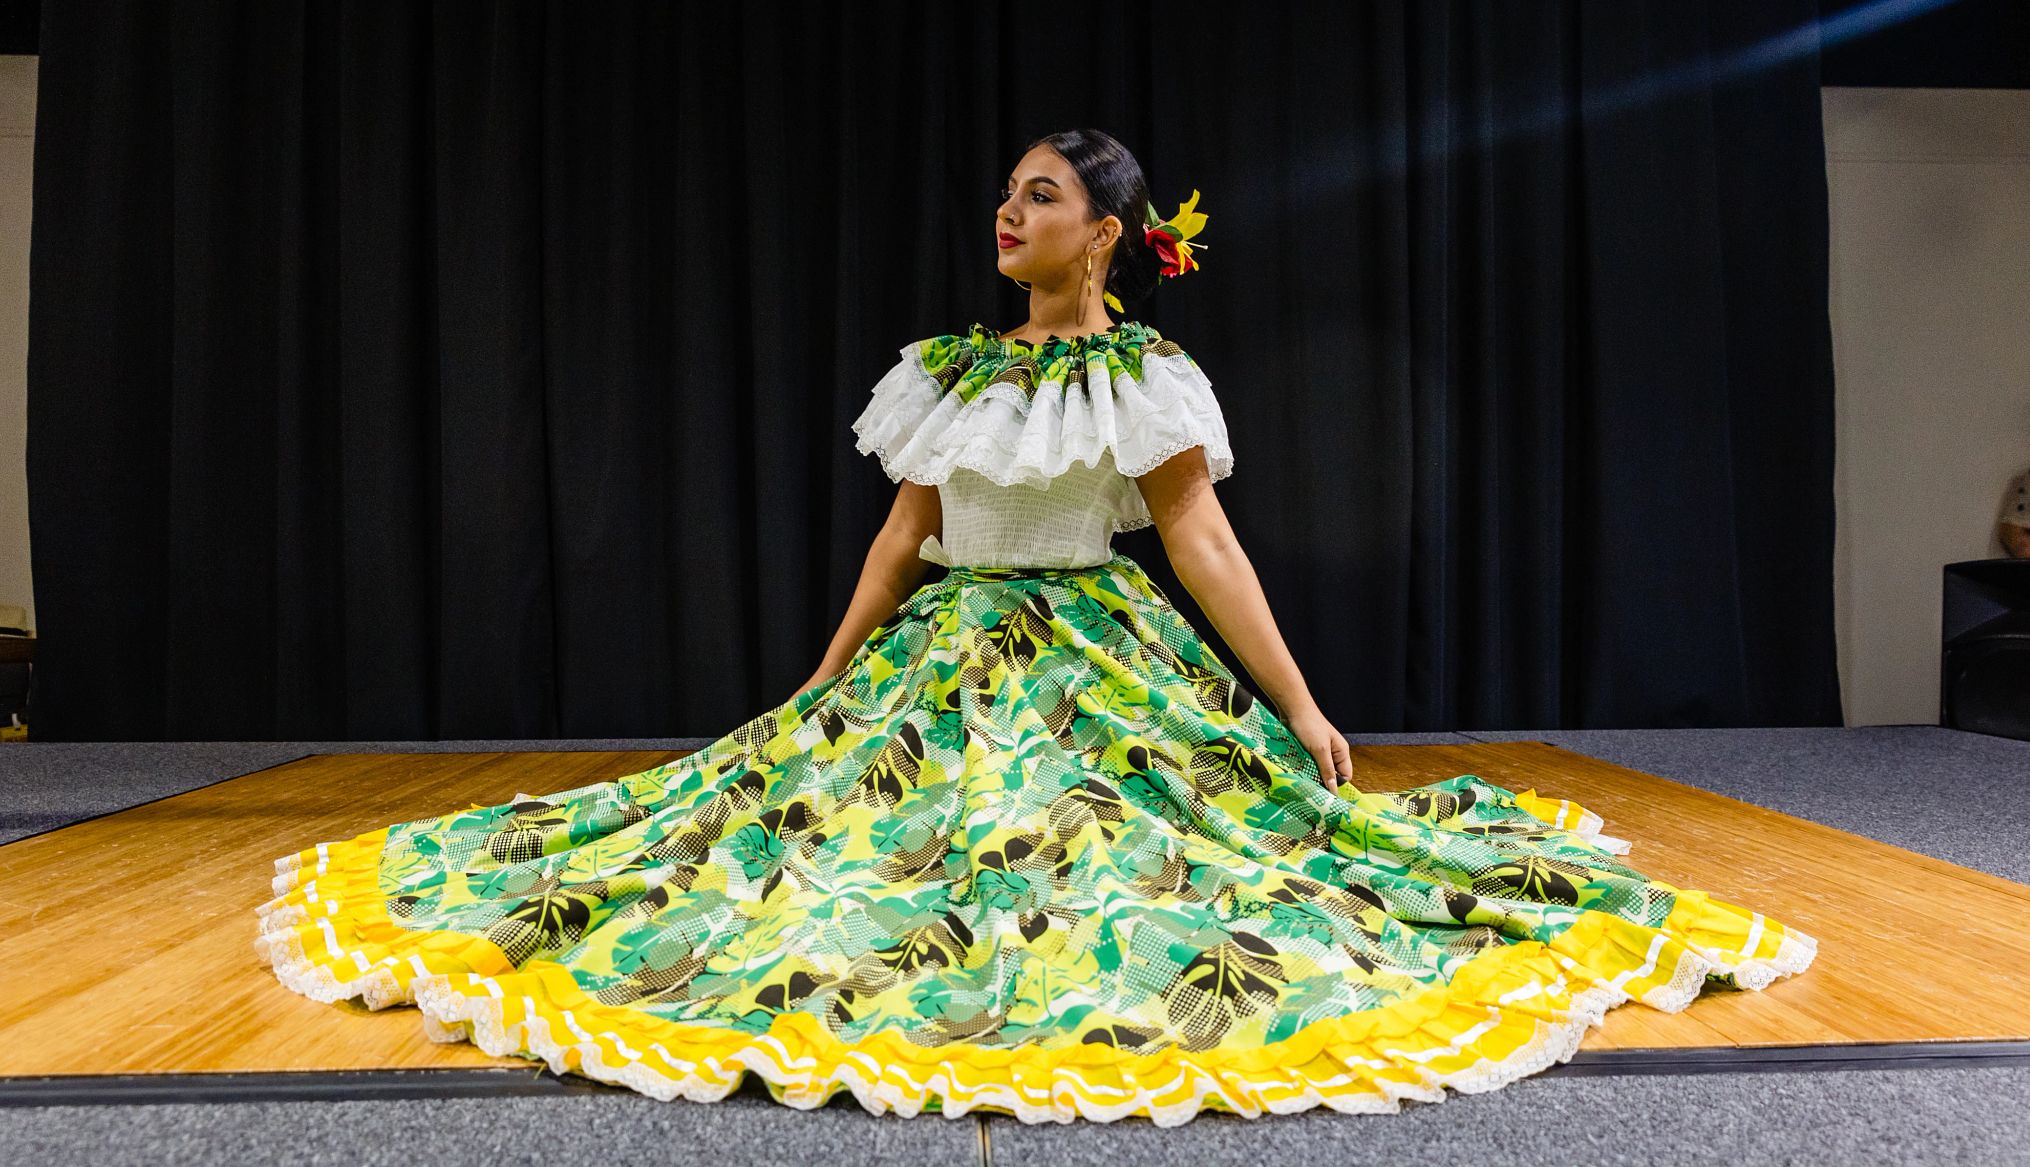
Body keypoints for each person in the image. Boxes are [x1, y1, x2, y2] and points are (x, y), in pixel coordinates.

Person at [257, 128, 1816, 1125]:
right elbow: (902, 537)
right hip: (947, 656)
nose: (1007, 213)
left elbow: (1201, 540)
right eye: (1004, 195)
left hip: (1096, 654)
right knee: (826, 842)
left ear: (1110, 231)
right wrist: (821, 681)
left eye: (1041, 195)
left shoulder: (1144, 376)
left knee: (1123, 858)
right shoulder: (943, 370)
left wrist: (1295, 702)